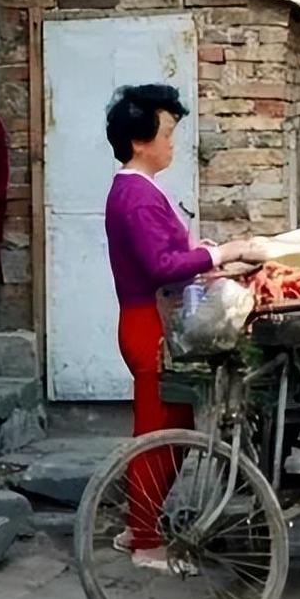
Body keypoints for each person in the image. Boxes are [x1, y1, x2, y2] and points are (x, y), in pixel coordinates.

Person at [103, 84, 248, 569]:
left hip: (152, 319)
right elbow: (160, 266)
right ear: (139, 141)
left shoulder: (138, 190)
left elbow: (168, 257)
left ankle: (138, 524)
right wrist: (219, 255)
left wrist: (201, 254)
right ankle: (145, 543)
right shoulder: (136, 196)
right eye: (166, 134)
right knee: (157, 434)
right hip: (148, 324)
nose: (171, 144)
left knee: (174, 425)